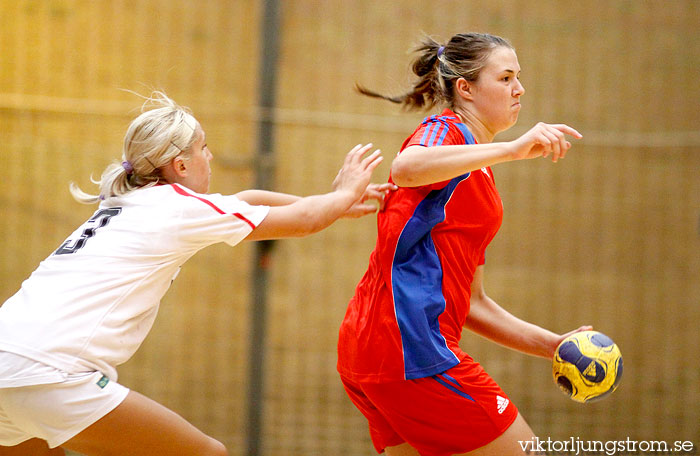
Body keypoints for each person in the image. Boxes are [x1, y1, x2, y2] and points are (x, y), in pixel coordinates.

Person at [0, 92, 393, 456]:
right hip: (50, 372)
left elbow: (248, 201)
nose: (210, 155)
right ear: (181, 164)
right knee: (208, 454)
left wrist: (334, 204)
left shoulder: (131, 202)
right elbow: (305, 222)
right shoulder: (178, 207)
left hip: (8, 359)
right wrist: (343, 191)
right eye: (203, 147)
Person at [337, 32, 591, 456]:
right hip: (411, 347)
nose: (519, 89)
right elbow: (406, 166)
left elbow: (473, 303)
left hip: (374, 348)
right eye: (506, 77)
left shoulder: (478, 167)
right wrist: (512, 149)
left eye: (518, 77)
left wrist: (555, 346)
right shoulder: (446, 130)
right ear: (466, 89)